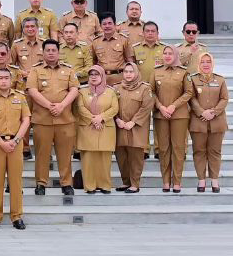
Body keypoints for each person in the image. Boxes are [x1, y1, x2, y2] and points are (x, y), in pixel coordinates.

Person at [27, 39, 79, 196]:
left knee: (65, 154)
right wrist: (49, 105)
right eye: (47, 50)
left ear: (58, 52)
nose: (50, 53)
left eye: (53, 50)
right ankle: (41, 183)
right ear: (43, 52)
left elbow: (75, 89)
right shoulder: (35, 70)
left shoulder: (68, 70)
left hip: (64, 119)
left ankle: (66, 183)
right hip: (42, 119)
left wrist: (62, 105)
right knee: (42, 154)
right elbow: (32, 90)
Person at [0, 67, 30, 229]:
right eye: (0, 78)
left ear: (11, 80)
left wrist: (16, 141)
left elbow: (26, 120)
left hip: (16, 144)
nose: (3, 81)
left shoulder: (20, 97)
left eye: (6, 78)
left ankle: (17, 216)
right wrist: (1, 143)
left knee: (16, 181)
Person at [153, 44, 193, 193]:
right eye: (165, 53)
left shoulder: (183, 72)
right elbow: (151, 92)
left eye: (170, 53)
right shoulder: (156, 72)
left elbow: (189, 92)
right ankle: (165, 181)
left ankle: (177, 181)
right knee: (163, 149)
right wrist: (161, 107)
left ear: (176, 55)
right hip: (161, 115)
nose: (168, 56)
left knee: (178, 148)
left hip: (179, 116)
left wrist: (173, 106)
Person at [75, 65, 118, 193]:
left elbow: (115, 108)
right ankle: (90, 186)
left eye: (96, 74)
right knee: (88, 159)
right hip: (88, 127)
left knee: (105, 159)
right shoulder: (82, 91)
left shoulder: (111, 91)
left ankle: (105, 185)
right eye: (91, 74)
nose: (93, 77)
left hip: (105, 127)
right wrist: (93, 119)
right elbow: (80, 107)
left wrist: (101, 118)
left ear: (102, 76)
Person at [189, 52, 227, 192]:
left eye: (208, 62)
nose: (206, 64)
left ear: (212, 64)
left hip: (217, 122)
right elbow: (191, 98)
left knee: (215, 151)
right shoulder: (192, 79)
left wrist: (213, 112)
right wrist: (202, 112)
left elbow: (224, 99)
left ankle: (215, 180)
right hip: (198, 122)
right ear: (198, 64)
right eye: (203, 62)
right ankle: (201, 180)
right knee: (199, 151)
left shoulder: (220, 80)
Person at [114, 61, 154, 193]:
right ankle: (126, 182)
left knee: (135, 156)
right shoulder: (117, 88)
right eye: (126, 72)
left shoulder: (145, 88)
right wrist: (117, 119)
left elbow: (146, 107)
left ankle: (135, 184)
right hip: (120, 126)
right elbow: (111, 105)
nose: (128, 74)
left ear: (136, 73)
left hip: (136, 127)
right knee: (121, 156)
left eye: (131, 71)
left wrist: (133, 121)